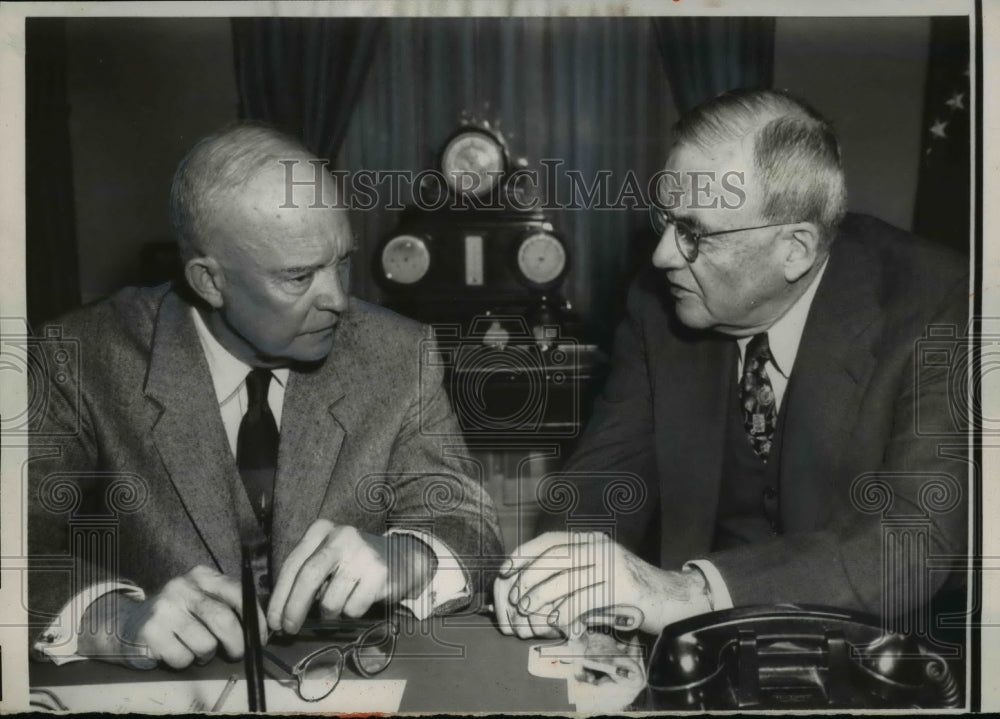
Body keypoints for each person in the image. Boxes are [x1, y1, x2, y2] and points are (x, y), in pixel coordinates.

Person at [494, 89, 969, 639]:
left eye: (694, 233)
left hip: (890, 645)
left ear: (794, 248)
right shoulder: (658, 303)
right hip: (711, 651)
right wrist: (571, 581)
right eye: (665, 220)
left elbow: (912, 542)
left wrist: (686, 592)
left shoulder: (942, 306)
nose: (662, 255)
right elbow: (605, 473)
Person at [28, 124, 503, 669]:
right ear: (209, 281)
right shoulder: (79, 359)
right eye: (299, 277)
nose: (340, 301)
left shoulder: (398, 350)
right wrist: (110, 619)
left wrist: (409, 557)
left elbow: (470, 521)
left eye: (341, 261)